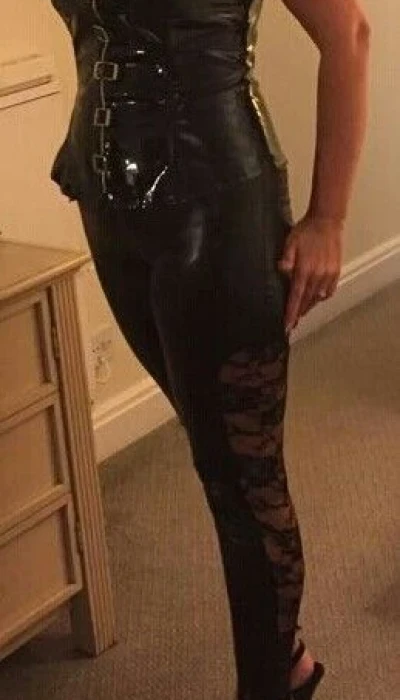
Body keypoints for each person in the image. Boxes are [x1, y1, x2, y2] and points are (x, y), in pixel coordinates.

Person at [50, 1, 370, 699]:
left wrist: (329, 217)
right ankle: (287, 657)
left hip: (218, 204)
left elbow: (349, 34)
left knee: (244, 481)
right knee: (215, 457)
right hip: (106, 203)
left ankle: (273, 683)